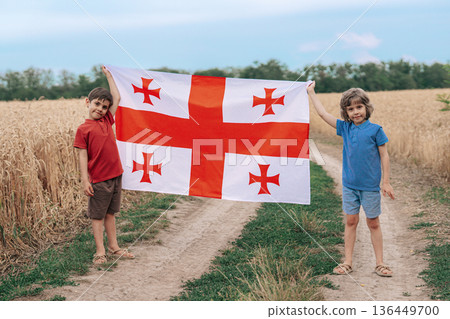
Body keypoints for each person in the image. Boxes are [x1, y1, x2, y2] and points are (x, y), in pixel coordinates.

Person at [307, 81, 395, 277]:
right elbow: (322, 114)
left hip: (370, 187)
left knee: (373, 222)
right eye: (350, 109)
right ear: (345, 112)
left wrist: (386, 182)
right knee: (351, 221)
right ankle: (347, 262)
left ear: (366, 108)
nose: (356, 112)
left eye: (359, 107)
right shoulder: (345, 128)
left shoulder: (376, 130)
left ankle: (380, 263)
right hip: (350, 186)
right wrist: (311, 93)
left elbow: (384, 155)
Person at [74, 66, 134, 265]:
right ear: (87, 102)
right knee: (98, 216)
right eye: (97, 104)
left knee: (111, 213)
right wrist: (85, 180)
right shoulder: (83, 129)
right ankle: (100, 251)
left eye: (104, 107)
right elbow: (83, 156)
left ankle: (114, 247)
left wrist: (109, 75)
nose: (99, 109)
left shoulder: (107, 121)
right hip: (99, 179)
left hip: (116, 175)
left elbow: (116, 98)